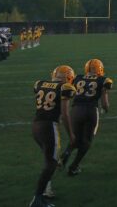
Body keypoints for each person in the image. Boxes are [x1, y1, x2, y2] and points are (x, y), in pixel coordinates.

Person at [29, 65, 75, 207]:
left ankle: (45, 191)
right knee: (52, 163)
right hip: (49, 127)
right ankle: (37, 198)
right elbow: (65, 114)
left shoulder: (39, 83)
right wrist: (71, 134)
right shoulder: (65, 87)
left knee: (49, 160)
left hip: (36, 125)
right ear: (68, 77)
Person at [61, 59, 112, 176]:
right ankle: (73, 167)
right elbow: (104, 103)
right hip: (91, 111)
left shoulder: (78, 78)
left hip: (76, 110)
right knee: (86, 141)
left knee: (75, 138)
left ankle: (65, 156)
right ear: (99, 69)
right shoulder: (103, 80)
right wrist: (105, 109)